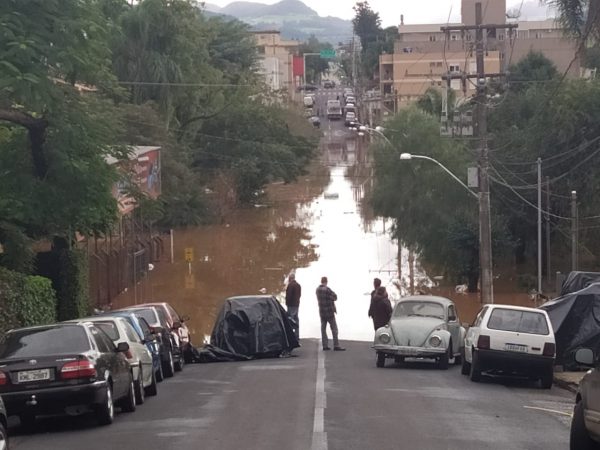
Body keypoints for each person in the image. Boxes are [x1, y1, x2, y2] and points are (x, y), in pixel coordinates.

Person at [316, 276, 345, 351]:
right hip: (329, 312)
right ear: (326, 281)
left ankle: (325, 345)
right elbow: (335, 297)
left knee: (323, 329)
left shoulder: (317, 289)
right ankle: (336, 345)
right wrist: (330, 298)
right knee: (334, 329)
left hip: (322, 312)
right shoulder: (327, 289)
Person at [285, 273, 301, 341]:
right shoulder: (298, 285)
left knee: (291, 319)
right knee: (296, 319)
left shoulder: (290, 285)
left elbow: (289, 296)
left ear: (290, 278)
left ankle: (291, 336)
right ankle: (297, 335)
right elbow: (300, 295)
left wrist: (287, 303)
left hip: (291, 305)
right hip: (296, 304)